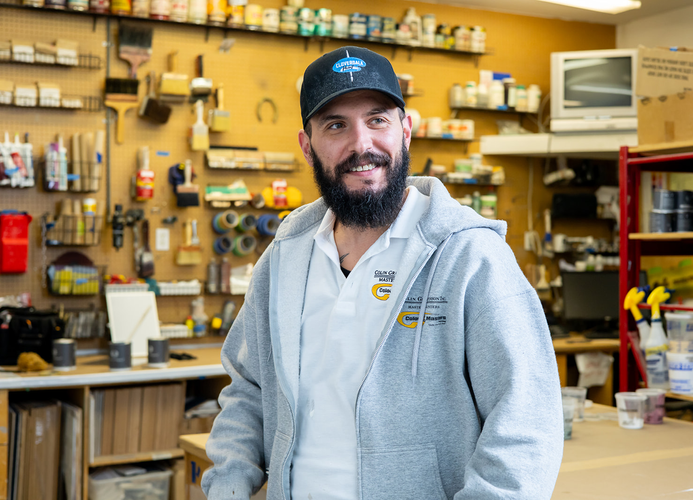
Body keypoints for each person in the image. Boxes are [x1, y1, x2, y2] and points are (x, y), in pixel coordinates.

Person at [202, 46, 563, 500]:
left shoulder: (470, 257)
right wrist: (228, 488)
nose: (362, 144)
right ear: (307, 146)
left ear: (405, 131)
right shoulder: (284, 258)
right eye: (336, 125)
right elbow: (249, 391)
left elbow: (525, 422)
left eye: (378, 120)